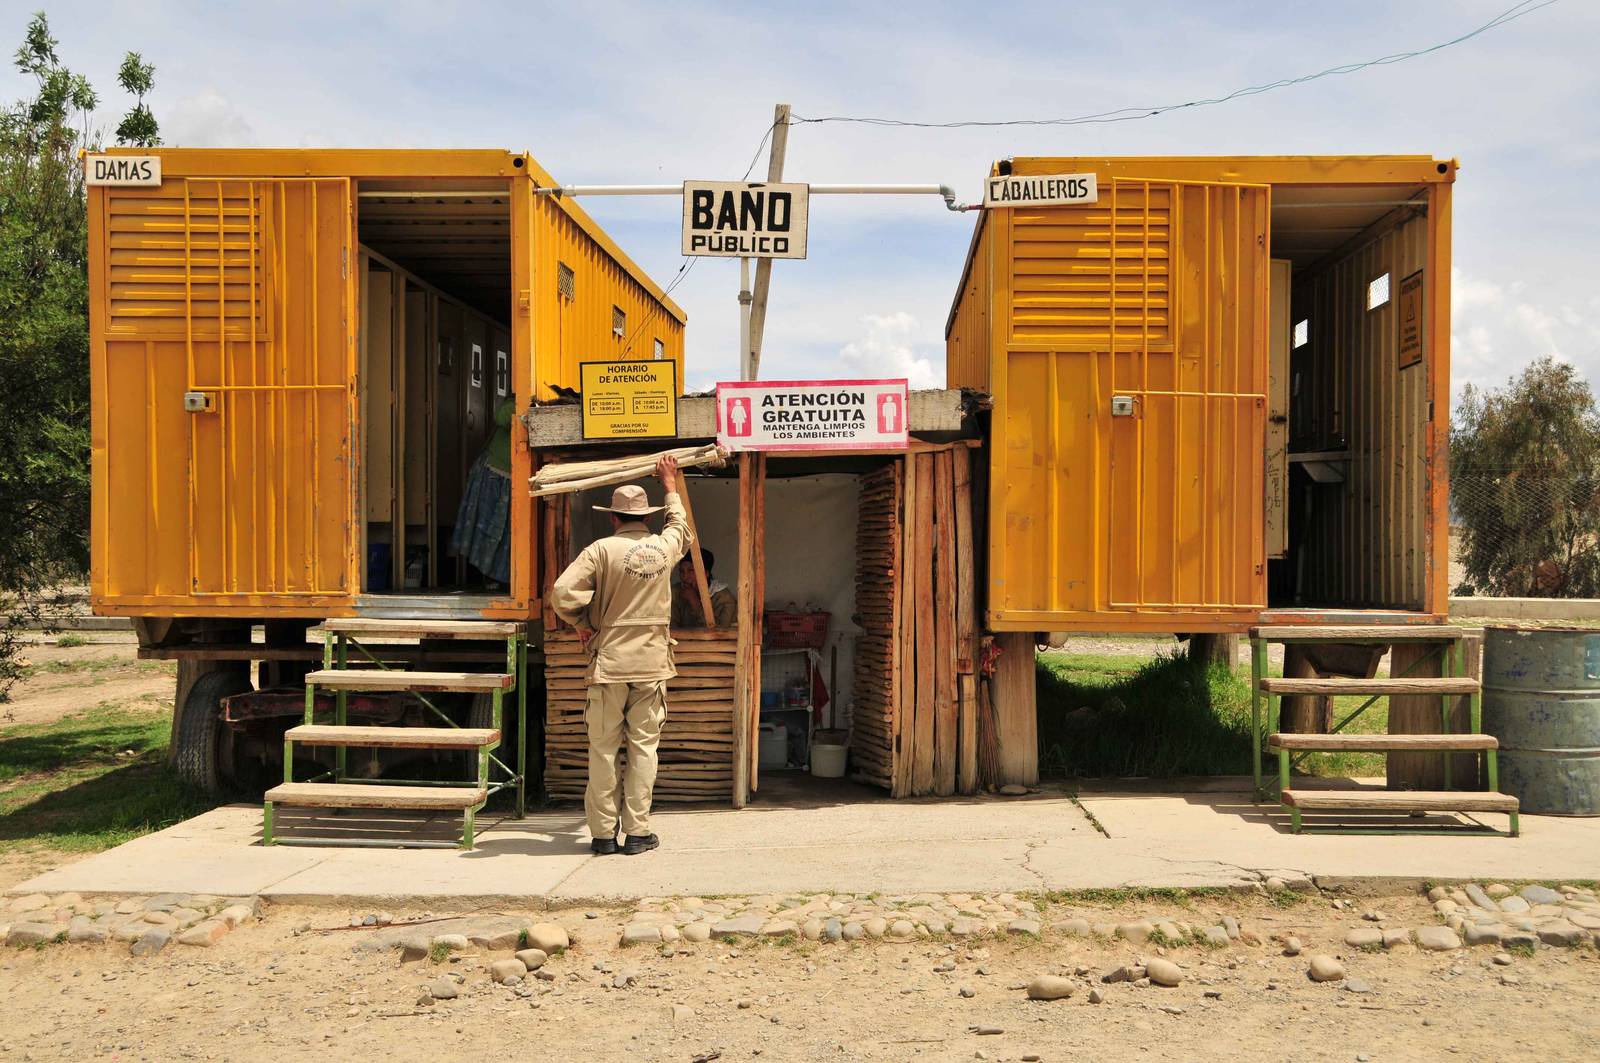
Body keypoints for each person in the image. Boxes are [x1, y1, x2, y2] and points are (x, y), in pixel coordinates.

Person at [551, 454, 691, 856]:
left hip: (609, 662)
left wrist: (581, 622)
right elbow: (680, 527)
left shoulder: (600, 550)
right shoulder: (665, 547)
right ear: (646, 517)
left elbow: (562, 594)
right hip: (651, 663)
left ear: (613, 518)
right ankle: (638, 833)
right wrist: (670, 485)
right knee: (644, 748)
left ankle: (602, 836)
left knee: (604, 750)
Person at [449, 394, 515, 587]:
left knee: (505, 531)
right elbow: (502, 417)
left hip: (513, 474)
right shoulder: (516, 399)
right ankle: (490, 578)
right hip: (495, 471)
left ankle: (499, 578)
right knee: (487, 527)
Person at [671, 547, 738, 628]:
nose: (685, 577)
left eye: (691, 570)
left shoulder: (723, 598)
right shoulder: (675, 593)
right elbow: (670, 628)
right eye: (682, 571)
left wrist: (695, 603)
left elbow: (721, 631)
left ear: (706, 574)